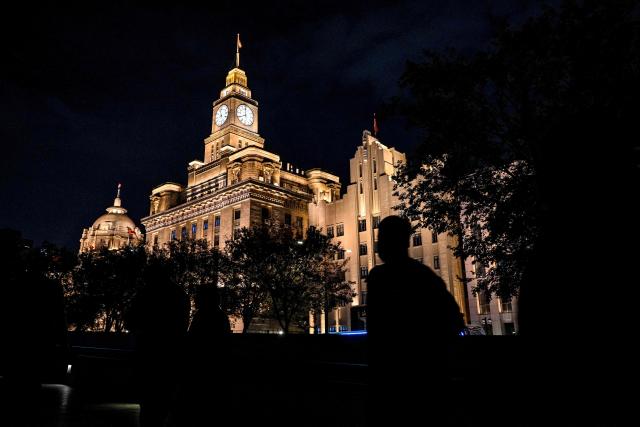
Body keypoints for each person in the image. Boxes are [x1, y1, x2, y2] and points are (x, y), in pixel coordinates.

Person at [366, 216, 464, 425]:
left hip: (408, 382)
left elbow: (377, 333)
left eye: (383, 239)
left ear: (400, 241)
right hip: (412, 381)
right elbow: (454, 321)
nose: (379, 245)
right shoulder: (421, 276)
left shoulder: (383, 278)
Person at [126, 260, 190, 427]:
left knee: (148, 402)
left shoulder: (145, 293)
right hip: (171, 353)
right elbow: (183, 324)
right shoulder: (179, 293)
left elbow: (130, 320)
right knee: (165, 397)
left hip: (149, 351)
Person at [168, 284, 231, 426]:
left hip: (200, 370)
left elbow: (194, 341)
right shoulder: (218, 316)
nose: (195, 299)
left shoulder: (203, 316)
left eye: (198, 296)